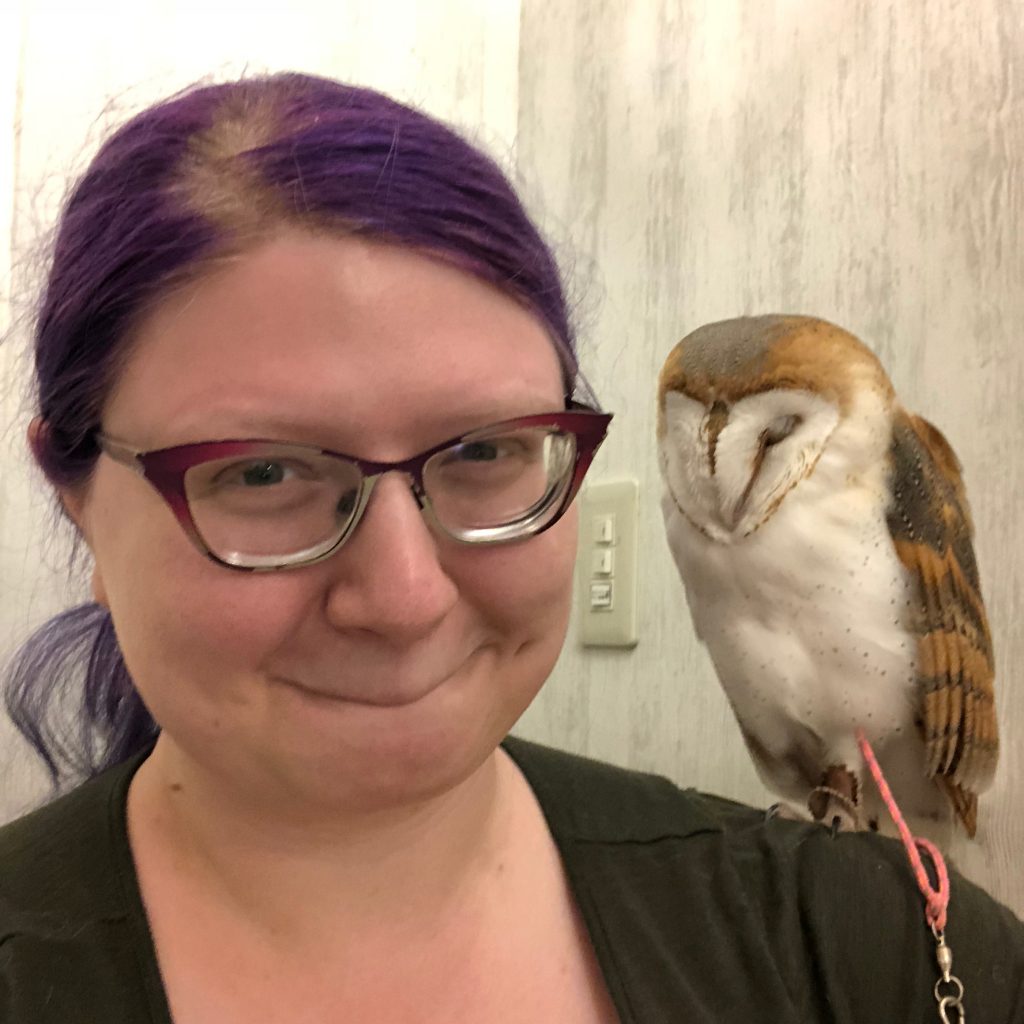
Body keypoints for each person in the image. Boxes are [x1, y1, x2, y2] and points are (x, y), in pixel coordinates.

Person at [0, 72, 1021, 1024]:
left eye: (486, 450)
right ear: (77, 495)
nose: (404, 596)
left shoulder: (870, 951)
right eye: (264, 473)